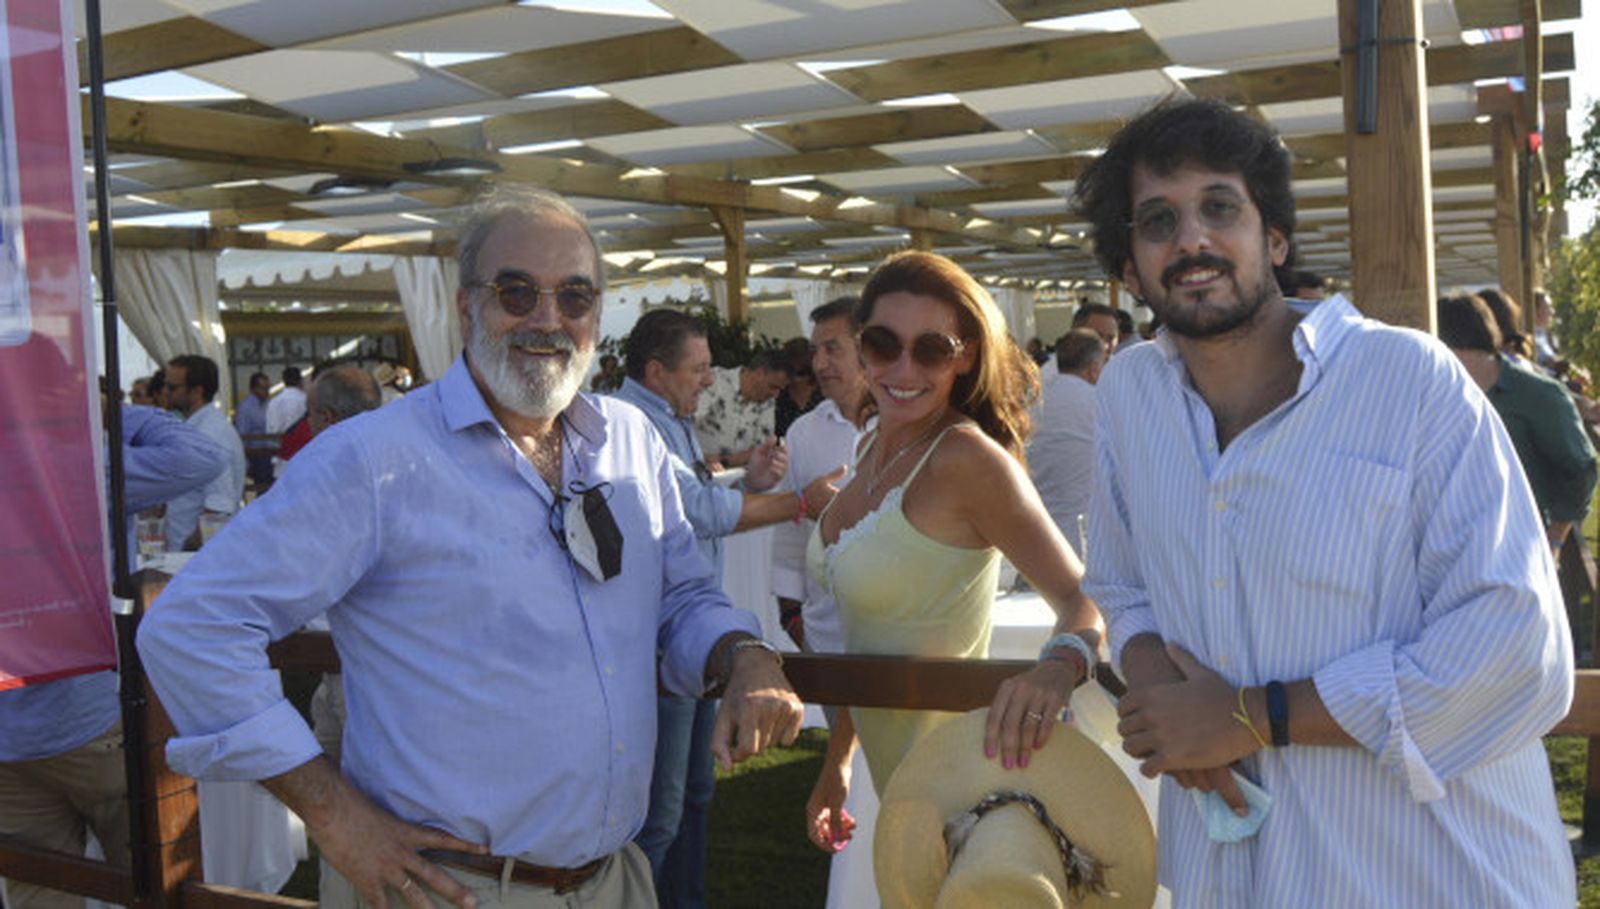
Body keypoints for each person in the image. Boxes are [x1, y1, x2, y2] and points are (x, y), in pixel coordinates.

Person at [137, 185, 803, 909]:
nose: (548, 318)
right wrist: (333, 815)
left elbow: (680, 596)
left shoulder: (627, 441)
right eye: (517, 292)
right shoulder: (374, 458)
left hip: (612, 879)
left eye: (575, 297)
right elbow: (190, 624)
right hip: (450, 891)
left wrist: (746, 653)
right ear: (465, 307)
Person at [1073, 95, 1574, 904]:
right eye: (1157, 220)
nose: (1192, 238)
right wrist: (1161, 688)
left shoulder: (1407, 380)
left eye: (1219, 208)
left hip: (1426, 874)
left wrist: (1254, 714)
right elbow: (1124, 583)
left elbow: (1516, 646)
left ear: (1273, 236)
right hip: (1235, 870)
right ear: (1127, 268)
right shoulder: (1131, 392)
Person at [803, 251, 1103, 863]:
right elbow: (868, 640)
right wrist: (837, 763)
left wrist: (1057, 667)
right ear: (862, 348)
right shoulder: (871, 450)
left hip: (967, 787)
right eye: (884, 344)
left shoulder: (965, 461)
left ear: (965, 356)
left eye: (932, 349)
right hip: (901, 782)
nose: (904, 367)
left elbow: (1083, 596)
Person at [612, 309, 840, 908]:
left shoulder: (666, 418)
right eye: (701, 368)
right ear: (658, 372)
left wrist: (748, 480)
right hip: (663, 639)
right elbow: (696, 515)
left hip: (684, 636)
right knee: (660, 814)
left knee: (694, 796)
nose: (711, 380)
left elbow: (698, 498)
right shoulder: (636, 423)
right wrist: (799, 502)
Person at [0, 396, 225, 909]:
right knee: (154, 882)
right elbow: (202, 456)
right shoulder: (78, 462)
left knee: (40, 892)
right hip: (89, 717)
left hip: (9, 737)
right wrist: (107, 412)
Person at [1438, 293, 1597, 551]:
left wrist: (1554, 538)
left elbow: (1579, 467)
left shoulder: (1539, 395)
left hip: (1521, 551)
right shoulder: (1441, 398)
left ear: (1451, 347)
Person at [772, 297, 870, 655]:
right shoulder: (804, 432)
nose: (819, 364)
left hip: (903, 638)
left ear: (868, 352)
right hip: (826, 637)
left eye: (832, 349)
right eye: (816, 351)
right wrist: (791, 617)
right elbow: (790, 532)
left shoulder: (905, 429)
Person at [1025, 328, 1109, 562]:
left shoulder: (1032, 402)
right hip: (1086, 535)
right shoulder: (1101, 404)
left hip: (1034, 530)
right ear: (1093, 368)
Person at [162, 354, 247, 551]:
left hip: (194, 556)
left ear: (197, 391)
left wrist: (188, 548)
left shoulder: (209, 435)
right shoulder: (198, 428)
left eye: (172, 387)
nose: (165, 392)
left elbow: (218, 508)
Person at [693, 350, 790, 467]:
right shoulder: (714, 382)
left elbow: (762, 450)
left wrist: (723, 462)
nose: (776, 394)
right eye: (773, 387)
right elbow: (684, 424)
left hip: (739, 478)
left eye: (780, 389)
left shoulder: (767, 401)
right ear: (759, 373)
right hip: (695, 468)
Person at [773, 336, 821, 438]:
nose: (797, 379)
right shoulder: (778, 398)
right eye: (791, 373)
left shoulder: (828, 394)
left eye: (804, 372)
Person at [234, 371, 274, 489]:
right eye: (263, 388)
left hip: (270, 453)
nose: (267, 392)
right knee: (264, 489)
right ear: (253, 389)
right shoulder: (245, 407)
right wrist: (245, 462)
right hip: (256, 456)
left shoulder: (269, 404)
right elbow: (242, 435)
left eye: (268, 388)